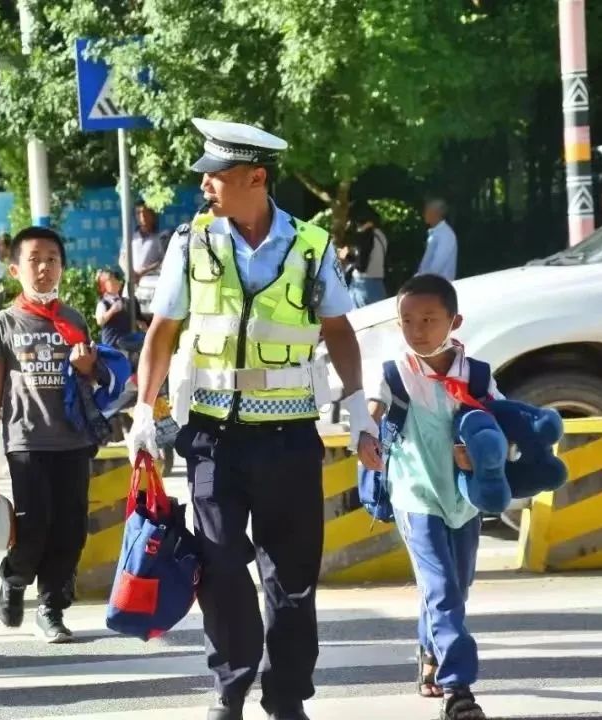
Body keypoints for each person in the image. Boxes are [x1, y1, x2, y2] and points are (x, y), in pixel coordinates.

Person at [127, 118, 382, 720]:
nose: (206, 186)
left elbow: (339, 331)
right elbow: (162, 333)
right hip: (212, 435)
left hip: (290, 436)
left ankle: (287, 695)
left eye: (216, 176)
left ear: (255, 177)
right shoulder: (191, 242)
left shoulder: (310, 246)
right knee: (219, 565)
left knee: (291, 578)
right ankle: (231, 686)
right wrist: (145, 408)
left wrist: (356, 405)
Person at [367, 274, 494, 720]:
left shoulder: (476, 375)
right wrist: (365, 435)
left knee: (457, 586)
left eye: (428, 319)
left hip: (464, 500)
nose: (416, 329)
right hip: (414, 494)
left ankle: (428, 651)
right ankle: (458, 687)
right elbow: (370, 412)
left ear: (454, 321)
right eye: (406, 320)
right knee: (440, 588)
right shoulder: (393, 373)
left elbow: (501, 423)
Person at [0, 226, 106, 644]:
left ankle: (51, 608)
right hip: (26, 442)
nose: (44, 268)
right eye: (34, 259)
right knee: (34, 527)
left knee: (70, 530)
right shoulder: (5, 323)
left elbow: (91, 379)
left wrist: (89, 367)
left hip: (73, 442)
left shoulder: (74, 320)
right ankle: (15, 579)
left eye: (52, 259)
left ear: (62, 269)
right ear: (16, 269)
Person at [344, 201, 389, 307]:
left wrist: (347, 256)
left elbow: (361, 266)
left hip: (363, 287)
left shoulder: (365, 236)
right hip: (378, 285)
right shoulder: (380, 234)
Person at [95, 267, 143, 347]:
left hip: (125, 342)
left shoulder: (123, 300)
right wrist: (112, 310)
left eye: (115, 279)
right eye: (111, 280)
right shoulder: (103, 303)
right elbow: (100, 321)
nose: (115, 282)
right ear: (103, 285)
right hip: (112, 344)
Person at [417, 198, 458, 281]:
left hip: (438, 287)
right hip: (430, 284)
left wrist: (420, 281)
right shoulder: (436, 233)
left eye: (426, 211)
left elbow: (436, 266)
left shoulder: (445, 235)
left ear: (435, 213)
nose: (424, 214)